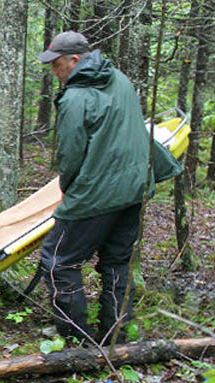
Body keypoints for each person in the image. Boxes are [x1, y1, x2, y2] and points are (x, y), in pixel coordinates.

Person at [36, 31, 158, 344]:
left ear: (75, 60)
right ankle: (115, 335)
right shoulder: (120, 79)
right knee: (117, 262)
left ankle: (76, 340)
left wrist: (68, 189)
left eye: (57, 64)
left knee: (57, 261)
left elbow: (71, 153)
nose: (54, 71)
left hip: (97, 194)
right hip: (134, 189)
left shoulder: (76, 97)